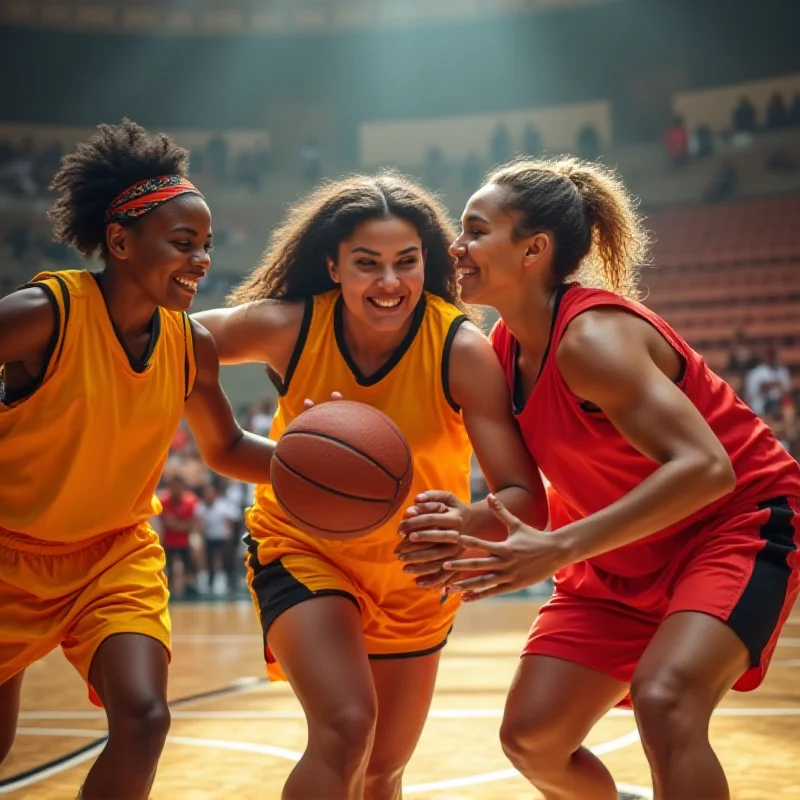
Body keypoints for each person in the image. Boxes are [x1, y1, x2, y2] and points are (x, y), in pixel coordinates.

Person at [400, 157, 800, 800]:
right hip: (618, 551)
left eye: (476, 230)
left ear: (533, 249)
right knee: (533, 738)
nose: (457, 246)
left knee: (666, 700)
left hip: (735, 526)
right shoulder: (502, 348)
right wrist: (467, 524)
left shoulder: (591, 339)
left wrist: (560, 547)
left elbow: (707, 468)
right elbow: (526, 498)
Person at [193, 171, 546, 800]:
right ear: (333, 265)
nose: (389, 282)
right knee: (347, 728)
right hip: (303, 553)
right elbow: (173, 342)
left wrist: (460, 523)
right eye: (367, 264)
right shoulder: (292, 326)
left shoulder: (459, 349)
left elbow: (525, 497)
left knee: (382, 771)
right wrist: (227, 435)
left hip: (415, 571)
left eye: (406, 262)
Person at [0, 120, 278, 800]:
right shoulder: (44, 315)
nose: (202, 260)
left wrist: (318, 470)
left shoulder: (191, 345)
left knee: (146, 717)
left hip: (112, 555)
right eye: (184, 243)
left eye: (206, 246)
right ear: (120, 241)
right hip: (7, 553)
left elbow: (229, 448)